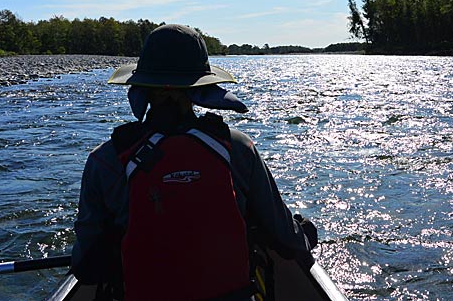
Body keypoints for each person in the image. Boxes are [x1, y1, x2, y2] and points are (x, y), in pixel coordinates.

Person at [71, 24, 317, 301]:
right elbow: (285, 238)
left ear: (142, 87)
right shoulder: (238, 147)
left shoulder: (105, 159)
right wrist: (305, 233)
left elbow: (86, 266)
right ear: (201, 88)